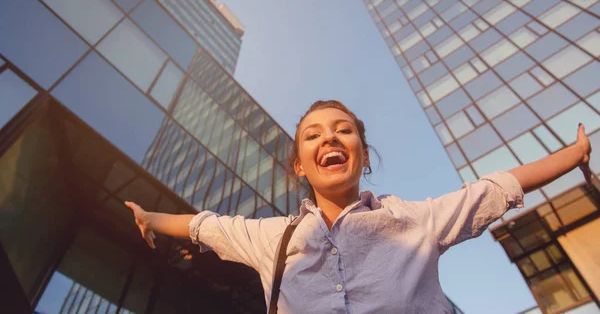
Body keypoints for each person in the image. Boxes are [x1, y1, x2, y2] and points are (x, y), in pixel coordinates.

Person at [125, 100, 593, 313]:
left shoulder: (415, 219)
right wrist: (149, 218)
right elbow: (204, 225)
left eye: (343, 129)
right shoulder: (273, 238)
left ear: (363, 156)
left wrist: (574, 157)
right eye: (313, 134)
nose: (329, 136)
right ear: (300, 167)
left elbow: (495, 188)